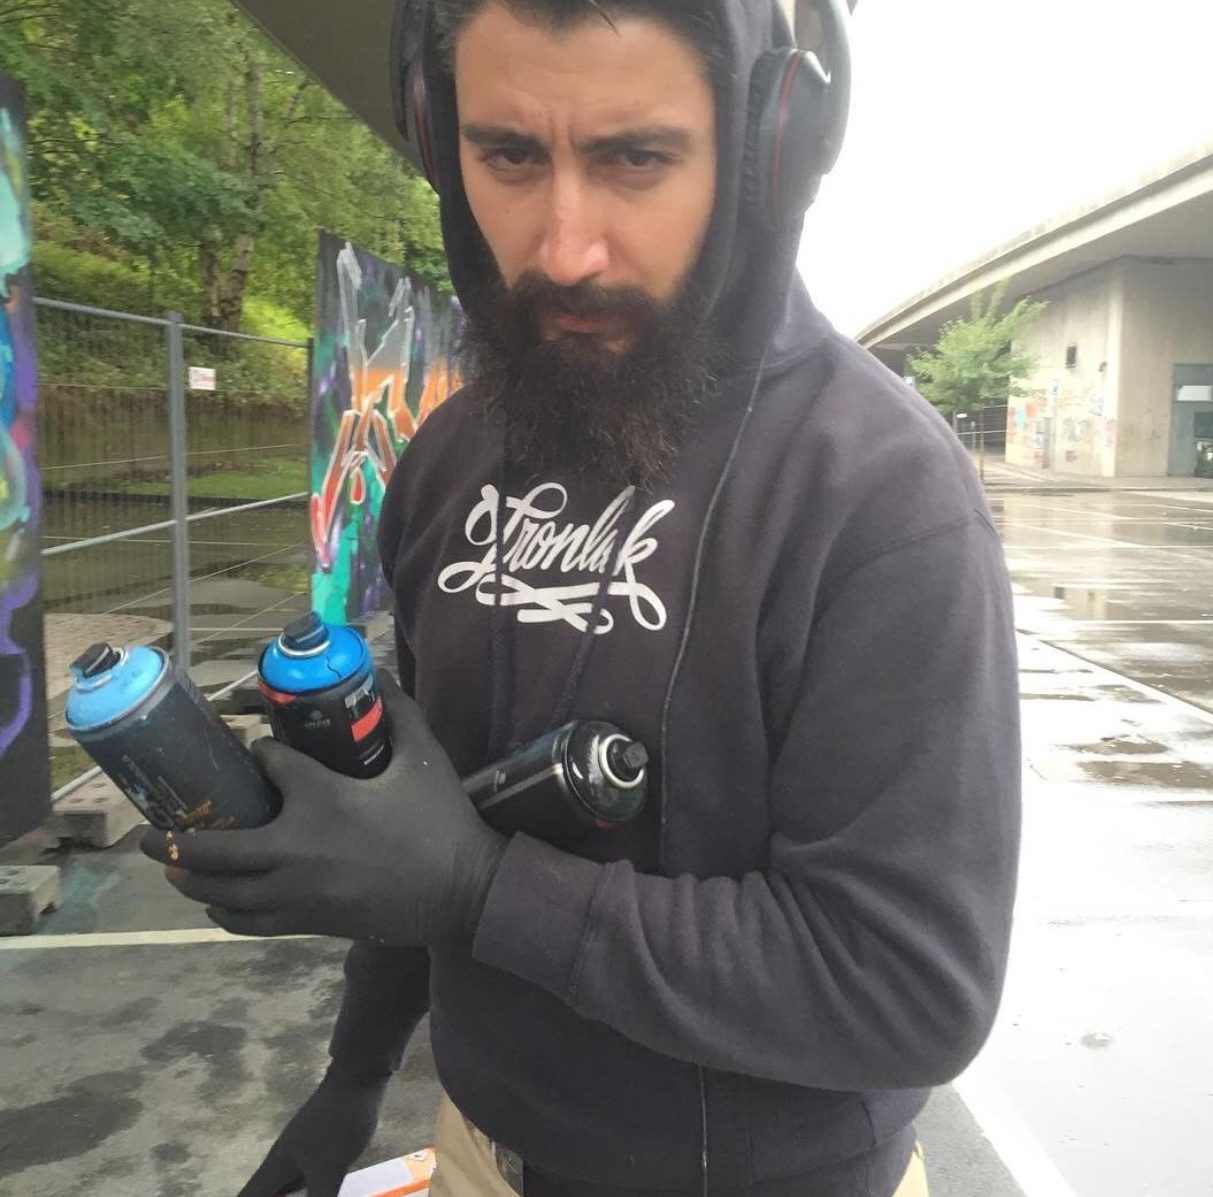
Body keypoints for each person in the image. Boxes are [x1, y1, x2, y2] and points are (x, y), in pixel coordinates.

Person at [143, 1, 1021, 1195]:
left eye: (635, 159)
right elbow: (415, 814)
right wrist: (356, 1069)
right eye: (510, 155)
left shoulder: (882, 496)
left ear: (766, 152)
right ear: (438, 138)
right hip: (478, 1148)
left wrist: (484, 891)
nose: (564, 250)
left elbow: (908, 988)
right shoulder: (448, 458)